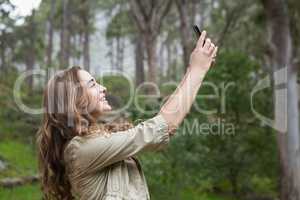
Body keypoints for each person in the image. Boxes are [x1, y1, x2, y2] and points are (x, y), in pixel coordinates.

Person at [36, 30, 218, 200]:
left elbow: (162, 126)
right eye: (92, 84)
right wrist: (197, 69)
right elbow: (162, 126)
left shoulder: (97, 140)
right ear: (73, 100)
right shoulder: (81, 149)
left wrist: (194, 67)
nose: (103, 88)